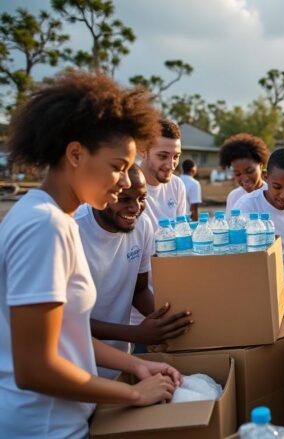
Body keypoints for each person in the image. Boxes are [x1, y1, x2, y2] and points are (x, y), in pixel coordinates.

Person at [0, 70, 181, 438]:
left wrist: (135, 364)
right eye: (118, 167)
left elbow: (70, 335)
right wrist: (132, 393)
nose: (126, 182)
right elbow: (35, 367)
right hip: (42, 426)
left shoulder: (50, 219)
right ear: (76, 154)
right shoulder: (45, 226)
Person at [75, 165, 192, 379]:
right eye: (124, 198)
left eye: (141, 198)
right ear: (101, 195)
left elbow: (138, 290)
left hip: (120, 363)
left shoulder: (142, 226)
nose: (135, 207)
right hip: (76, 369)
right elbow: (67, 323)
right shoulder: (74, 231)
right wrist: (137, 334)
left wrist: (166, 325)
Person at [235, 147, 284, 307]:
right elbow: (236, 258)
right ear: (266, 177)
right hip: (256, 292)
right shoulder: (246, 207)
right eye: (277, 187)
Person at [140, 119, 188, 229]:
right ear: (143, 151)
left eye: (176, 157)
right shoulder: (126, 186)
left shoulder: (177, 185)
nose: (171, 165)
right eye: (162, 156)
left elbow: (181, 231)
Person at [220, 133, 270, 213]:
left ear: (261, 166)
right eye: (237, 174)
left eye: (250, 171)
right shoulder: (234, 196)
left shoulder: (271, 194)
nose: (244, 178)